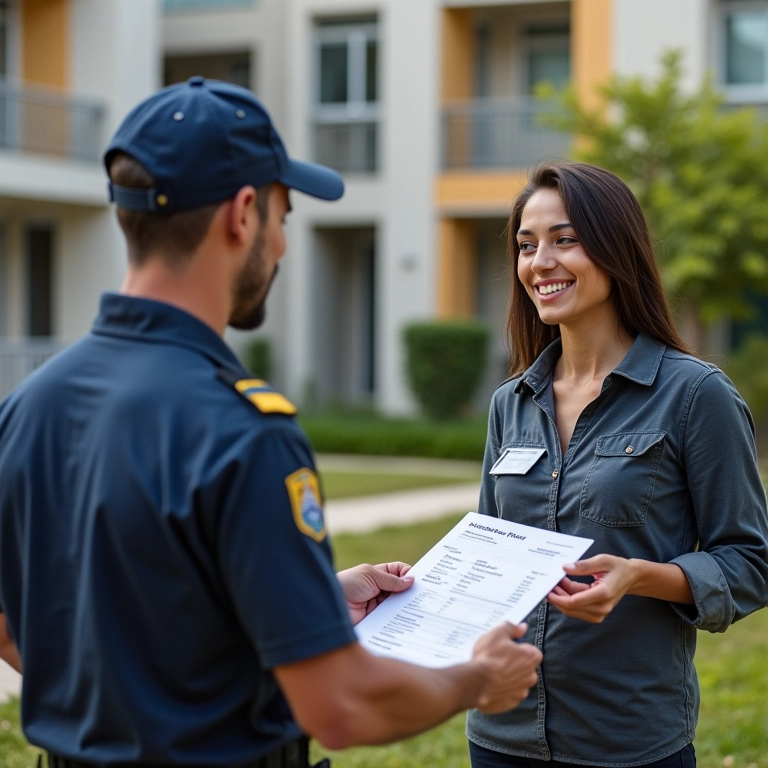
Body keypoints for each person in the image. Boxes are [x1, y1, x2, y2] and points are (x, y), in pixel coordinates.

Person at [0, 78, 542, 768]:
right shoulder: (242, 429)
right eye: (284, 217)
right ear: (243, 213)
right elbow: (340, 707)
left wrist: (307, 603)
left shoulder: (27, 406)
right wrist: (476, 679)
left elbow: (21, 625)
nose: (282, 245)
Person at [467, 162, 768, 768]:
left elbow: (750, 564)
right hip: (501, 731)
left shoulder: (695, 395)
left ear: (616, 248)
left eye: (565, 240)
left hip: (627, 738)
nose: (540, 263)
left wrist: (639, 576)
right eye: (526, 245)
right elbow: (491, 555)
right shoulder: (510, 402)